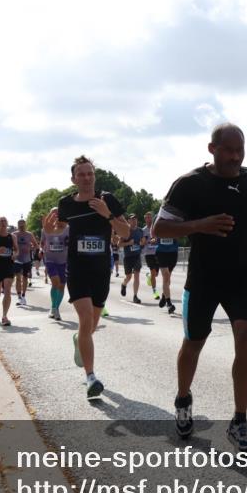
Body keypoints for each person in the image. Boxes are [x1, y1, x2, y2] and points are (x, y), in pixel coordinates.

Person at [153, 123, 247, 454]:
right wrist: (200, 225)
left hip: (241, 278)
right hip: (203, 279)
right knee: (193, 344)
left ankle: (240, 421)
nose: (235, 157)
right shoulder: (190, 184)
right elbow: (159, 228)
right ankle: (183, 398)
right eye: (228, 150)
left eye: (240, 150)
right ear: (211, 149)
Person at [59, 156, 129, 400]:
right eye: (81, 174)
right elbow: (56, 229)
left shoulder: (106, 199)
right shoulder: (65, 204)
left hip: (101, 270)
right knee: (85, 317)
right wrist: (49, 230)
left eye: (90, 173)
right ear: (73, 179)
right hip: (77, 270)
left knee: (91, 326)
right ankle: (91, 378)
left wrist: (108, 214)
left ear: (94, 176)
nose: (86, 177)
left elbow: (125, 232)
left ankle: (80, 339)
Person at [41, 208, 70, 320]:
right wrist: (40, 249)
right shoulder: (45, 229)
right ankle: (53, 308)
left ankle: (55, 308)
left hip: (64, 261)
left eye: (58, 213)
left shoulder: (68, 228)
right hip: (50, 259)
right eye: (54, 213)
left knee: (62, 285)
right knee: (56, 282)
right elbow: (42, 243)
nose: (56, 215)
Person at [119, 214, 145, 304]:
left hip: (137, 256)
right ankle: (124, 284)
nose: (134, 221)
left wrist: (142, 243)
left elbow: (142, 242)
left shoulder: (140, 231)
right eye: (132, 219)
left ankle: (135, 296)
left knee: (137, 275)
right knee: (129, 276)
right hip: (128, 257)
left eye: (135, 219)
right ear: (128, 221)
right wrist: (129, 243)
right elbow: (119, 244)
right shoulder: (126, 231)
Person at [12, 219, 39, 306]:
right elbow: (9, 245)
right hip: (17, 259)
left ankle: (23, 296)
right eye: (20, 224)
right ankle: (19, 297)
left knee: (25, 278)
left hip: (27, 259)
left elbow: (36, 245)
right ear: (17, 225)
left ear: (25, 225)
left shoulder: (29, 234)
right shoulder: (14, 234)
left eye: (23, 224)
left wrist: (31, 249)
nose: (21, 226)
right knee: (18, 278)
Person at [154, 228, 180, 315]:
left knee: (168, 278)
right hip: (161, 252)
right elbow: (153, 233)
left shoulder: (175, 219)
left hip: (173, 253)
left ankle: (164, 295)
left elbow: (180, 234)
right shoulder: (157, 219)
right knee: (166, 276)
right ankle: (169, 304)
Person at [142, 211, 161, 300]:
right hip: (148, 253)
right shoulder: (143, 230)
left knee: (156, 274)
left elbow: (159, 238)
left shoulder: (156, 228)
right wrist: (147, 241)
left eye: (150, 217)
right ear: (145, 219)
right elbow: (142, 243)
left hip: (157, 252)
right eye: (147, 217)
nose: (149, 219)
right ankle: (154, 292)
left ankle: (149, 276)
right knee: (153, 272)